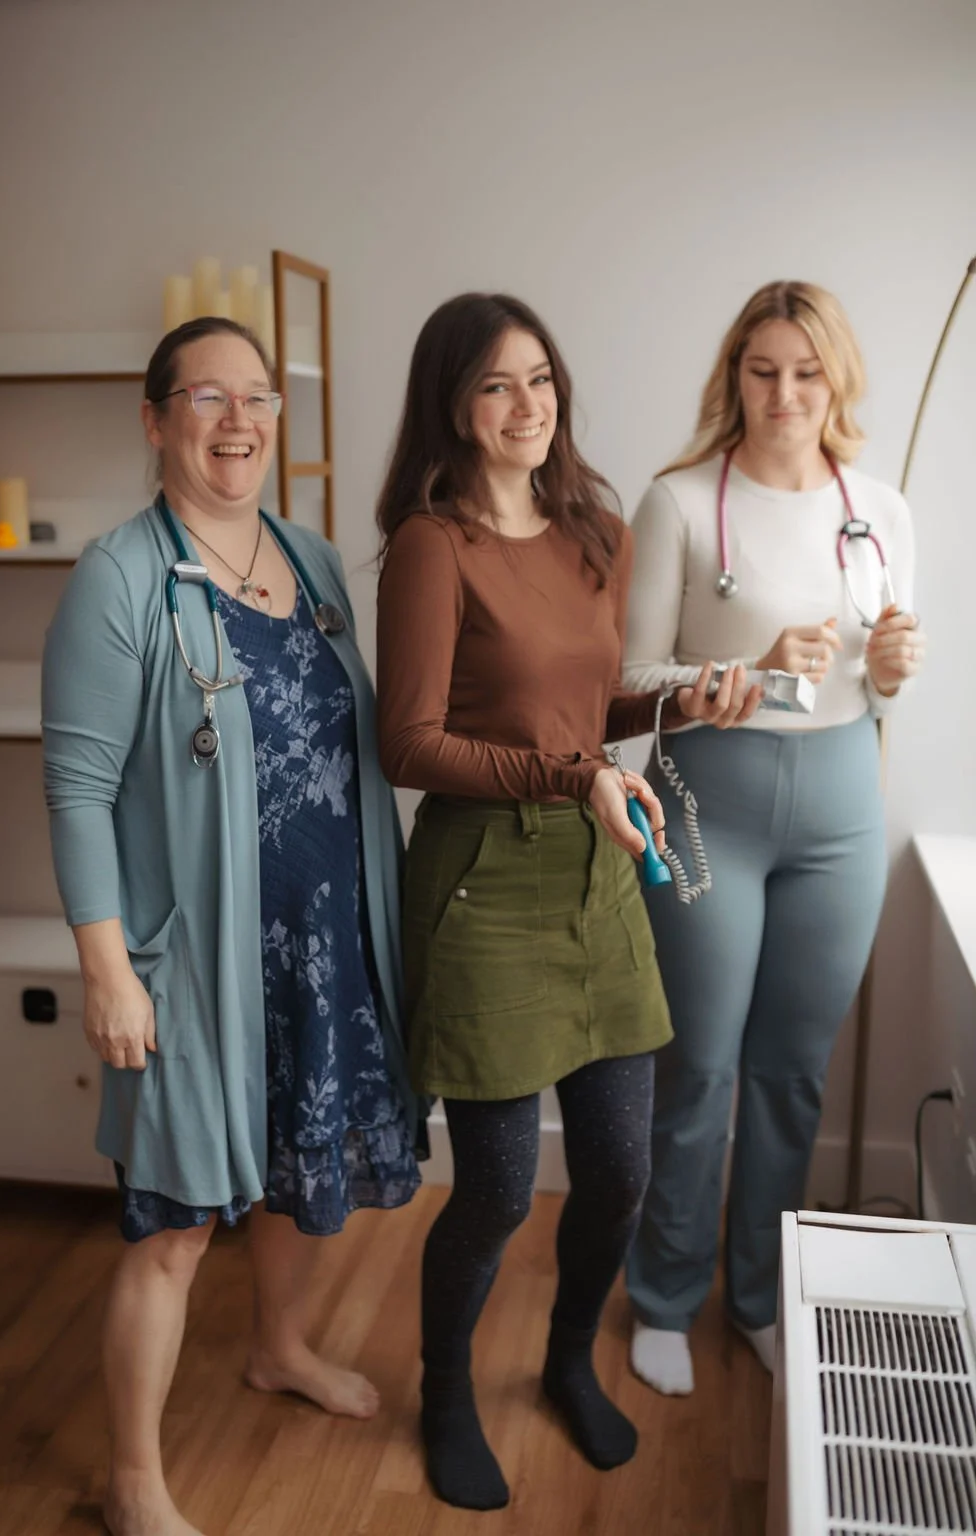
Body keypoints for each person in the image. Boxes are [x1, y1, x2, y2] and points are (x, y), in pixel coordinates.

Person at [374, 292, 759, 1512]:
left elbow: (591, 713)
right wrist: (578, 772)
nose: (527, 406)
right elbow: (409, 746)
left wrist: (676, 704)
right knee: (491, 1186)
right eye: (496, 385)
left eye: (539, 379)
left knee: (620, 1173)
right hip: (484, 882)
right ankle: (443, 1394)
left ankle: (561, 1364)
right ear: (452, 404)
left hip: (598, 877)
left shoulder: (593, 530)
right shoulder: (433, 546)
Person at [42, 316, 420, 1536]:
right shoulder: (119, 575)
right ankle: (135, 1484)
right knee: (170, 1225)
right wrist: (108, 967)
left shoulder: (307, 560)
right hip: (196, 962)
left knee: (291, 1179)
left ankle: (278, 1348)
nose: (238, 419)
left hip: (319, 947)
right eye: (206, 396)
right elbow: (78, 788)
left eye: (255, 396)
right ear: (156, 420)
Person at [623, 280, 926, 1398]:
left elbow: (878, 677)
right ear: (733, 376)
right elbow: (628, 684)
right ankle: (662, 1294)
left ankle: (759, 1296)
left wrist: (886, 673)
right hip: (709, 803)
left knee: (793, 1075)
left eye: (806, 371)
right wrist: (750, 675)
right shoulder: (678, 503)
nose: (784, 394)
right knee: (696, 1067)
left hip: (841, 804)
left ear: (834, 378)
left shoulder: (882, 508)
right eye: (762, 371)